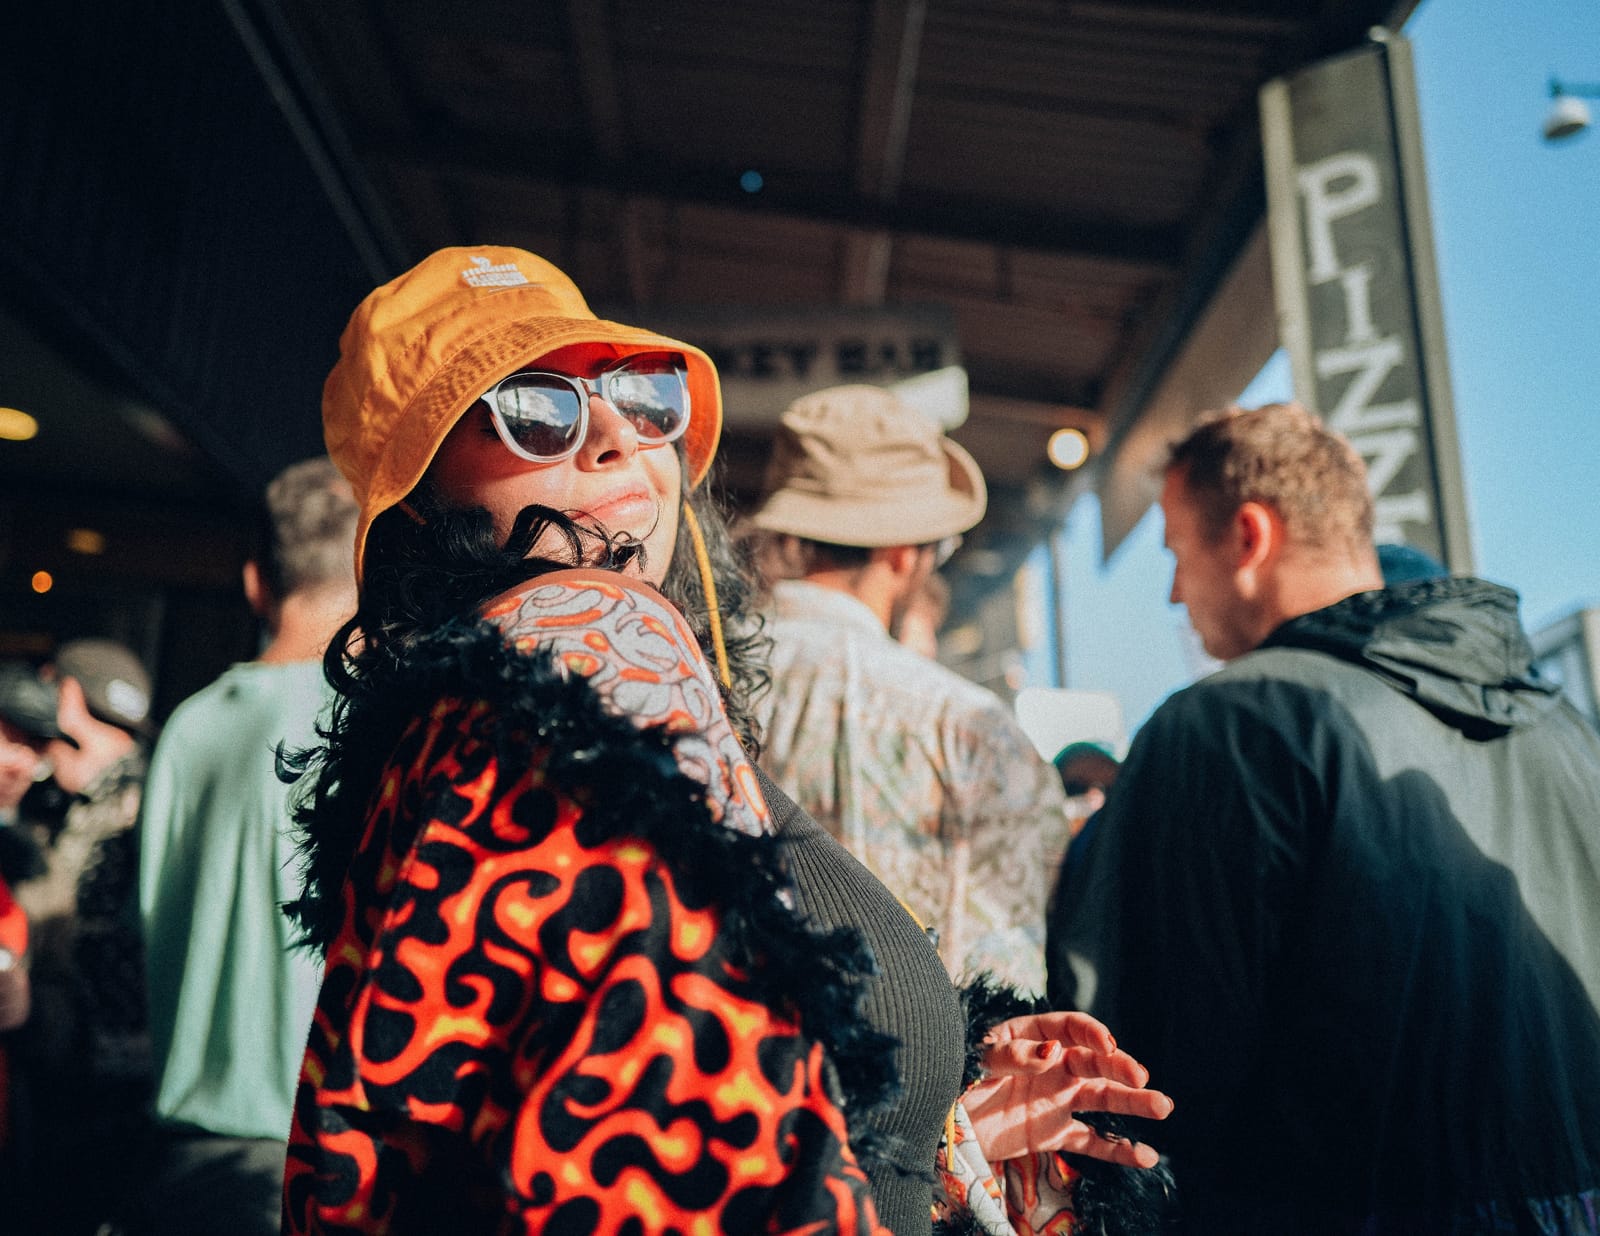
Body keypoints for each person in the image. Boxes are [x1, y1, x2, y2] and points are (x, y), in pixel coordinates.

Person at [284, 245, 1173, 1235]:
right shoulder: (583, 631)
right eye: (533, 409)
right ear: (420, 512)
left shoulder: (536, 714)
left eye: (640, 394)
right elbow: (670, 1157)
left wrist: (938, 1140)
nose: (617, 433)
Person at [1048, 402, 1600, 1234]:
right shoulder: (1563, 725)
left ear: (1249, 535)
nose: (1171, 590)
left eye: (1174, 550)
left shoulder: (1227, 725)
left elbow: (1143, 1079)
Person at [745, 385, 1072, 994]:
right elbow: (1003, 993)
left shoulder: (684, 677)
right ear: (902, 557)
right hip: (912, 1081)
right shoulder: (973, 729)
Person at [133, 457, 358, 1236]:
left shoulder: (190, 726)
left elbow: (151, 928)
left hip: (178, 1150)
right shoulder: (365, 723)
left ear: (256, 583)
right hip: (301, 1161)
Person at [12, 638, 154, 1233]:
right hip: (88, 1089)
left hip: (92, 1098)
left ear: (68, 698)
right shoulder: (111, 797)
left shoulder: (125, 811)